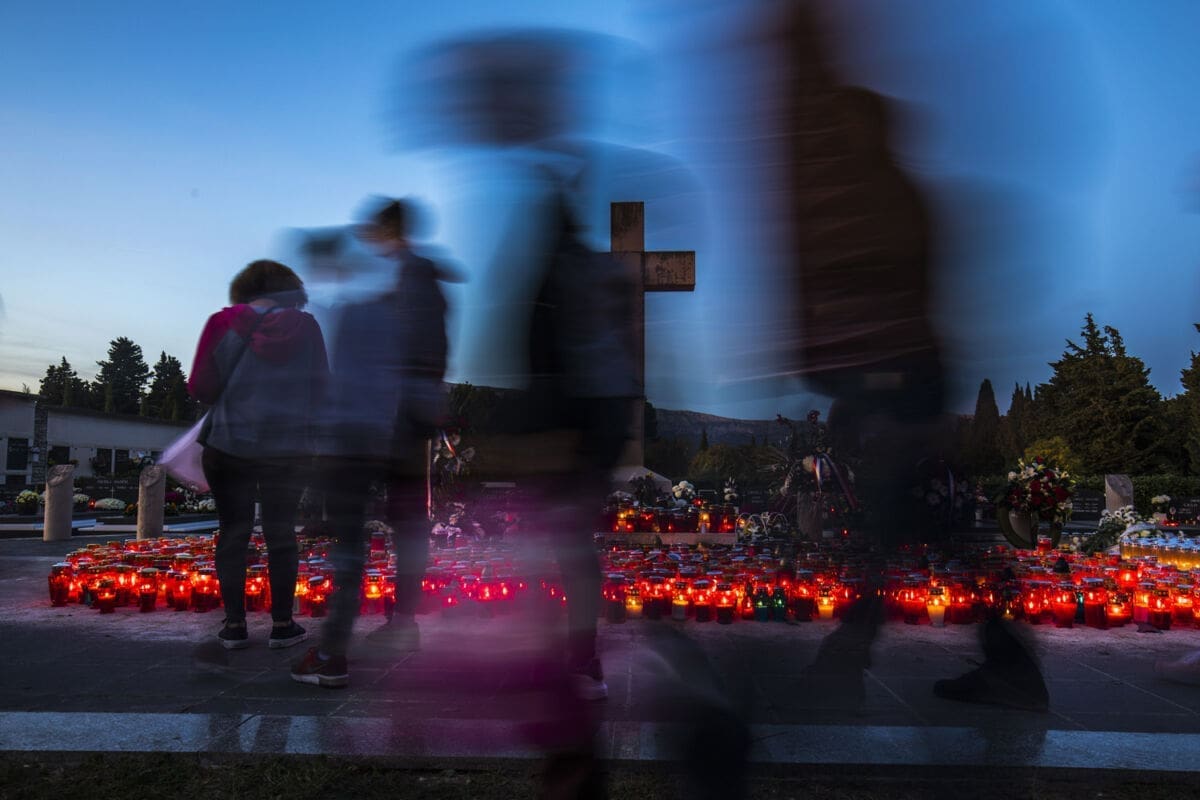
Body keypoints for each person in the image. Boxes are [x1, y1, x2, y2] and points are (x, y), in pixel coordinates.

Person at [291, 197, 451, 688]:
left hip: (380, 426)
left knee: (360, 536)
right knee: (403, 528)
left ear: (389, 232)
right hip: (397, 422)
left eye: (375, 231)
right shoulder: (405, 280)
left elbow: (395, 360)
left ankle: (340, 647)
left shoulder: (394, 286)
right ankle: (396, 625)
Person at [188, 259, 329, 650]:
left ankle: (234, 625)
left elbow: (200, 385)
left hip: (229, 445)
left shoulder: (221, 323)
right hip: (288, 449)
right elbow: (321, 390)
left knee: (233, 531)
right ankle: (283, 625)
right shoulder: (308, 328)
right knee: (281, 532)